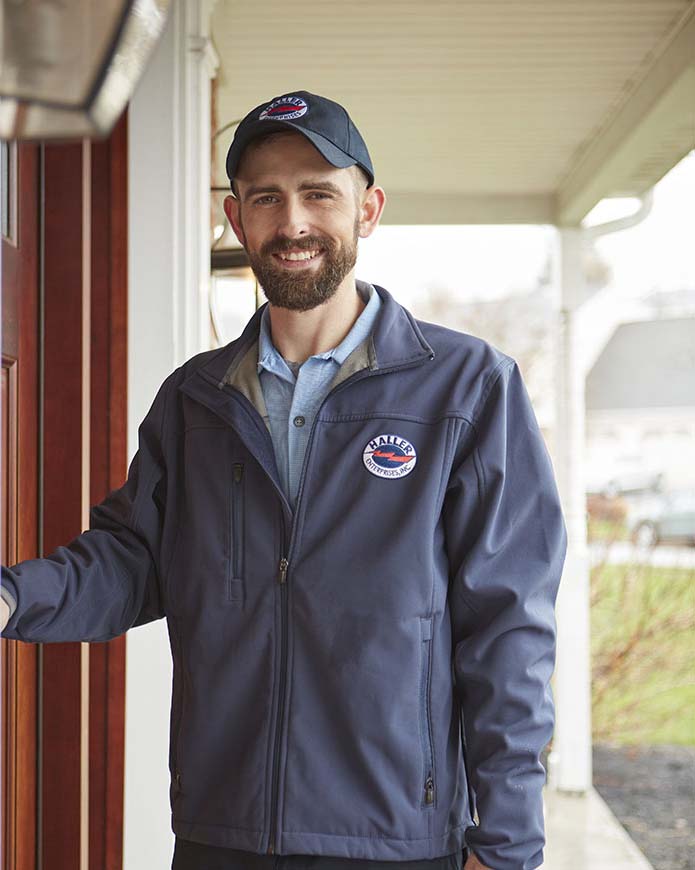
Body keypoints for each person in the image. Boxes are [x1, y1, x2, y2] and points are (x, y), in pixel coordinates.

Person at [1, 90, 568, 870]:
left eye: (318, 194)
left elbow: (508, 627)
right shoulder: (196, 398)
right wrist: (11, 596)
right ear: (237, 222)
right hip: (221, 831)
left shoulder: (466, 389)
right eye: (266, 197)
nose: (293, 222)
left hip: (392, 838)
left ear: (366, 210)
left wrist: (505, 845)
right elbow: (132, 560)